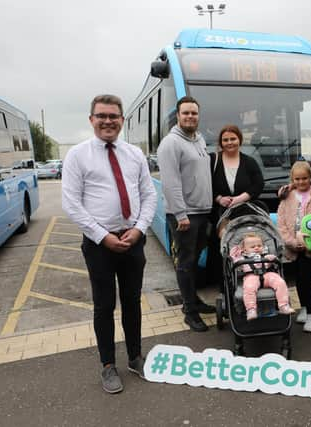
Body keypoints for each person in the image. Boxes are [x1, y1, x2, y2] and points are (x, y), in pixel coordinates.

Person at [61, 94, 157, 394]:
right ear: (91, 120)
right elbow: (71, 203)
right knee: (104, 306)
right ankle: (107, 365)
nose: (107, 121)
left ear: (122, 120)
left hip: (132, 240)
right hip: (99, 244)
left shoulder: (134, 154)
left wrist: (140, 230)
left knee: (132, 303)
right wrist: (103, 236)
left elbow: (149, 195)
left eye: (113, 116)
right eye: (101, 116)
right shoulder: (78, 155)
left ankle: (135, 357)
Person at [158, 96, 215, 333]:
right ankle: (189, 312)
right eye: (186, 113)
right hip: (185, 215)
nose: (190, 117)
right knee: (185, 263)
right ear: (178, 116)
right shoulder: (170, 144)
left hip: (202, 212)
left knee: (194, 262)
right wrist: (181, 214)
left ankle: (194, 301)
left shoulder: (199, 140)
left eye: (194, 113)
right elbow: (170, 183)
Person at [206, 124, 264, 287]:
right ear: (220, 142)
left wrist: (240, 198)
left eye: (233, 139)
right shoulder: (213, 160)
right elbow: (205, 184)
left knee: (244, 245)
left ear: (239, 140)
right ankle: (224, 284)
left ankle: (248, 278)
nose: (229, 142)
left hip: (244, 211)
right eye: (225, 140)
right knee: (224, 246)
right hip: (221, 213)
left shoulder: (249, 161)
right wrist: (218, 198)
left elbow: (258, 184)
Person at [277, 161, 311, 332]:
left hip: (310, 246)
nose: (301, 182)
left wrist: (310, 242)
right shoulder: (287, 196)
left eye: (304, 178)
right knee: (298, 279)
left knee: (306, 278)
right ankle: (304, 308)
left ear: (310, 177)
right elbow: (281, 223)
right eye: (297, 179)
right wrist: (291, 241)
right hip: (293, 246)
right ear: (292, 179)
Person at [229, 233, 295, 321]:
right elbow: (235, 260)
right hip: (251, 276)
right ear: (244, 249)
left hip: (267, 274)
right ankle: (251, 309)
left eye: (259, 245)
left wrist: (272, 259)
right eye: (252, 247)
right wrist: (237, 254)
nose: (256, 248)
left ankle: (283, 305)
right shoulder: (242, 258)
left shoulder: (265, 255)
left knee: (280, 282)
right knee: (249, 288)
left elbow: (274, 261)